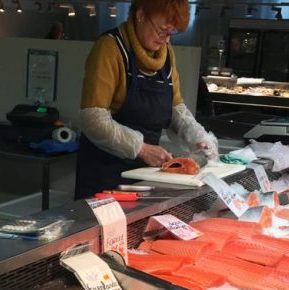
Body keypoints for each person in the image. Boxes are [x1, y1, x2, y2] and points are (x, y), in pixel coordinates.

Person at [74, 0, 216, 199]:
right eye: (162, 30)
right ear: (140, 15)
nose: (165, 40)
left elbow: (175, 107)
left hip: (146, 175)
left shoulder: (166, 55)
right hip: (104, 174)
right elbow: (93, 119)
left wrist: (198, 136)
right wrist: (140, 148)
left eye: (171, 33)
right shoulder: (110, 48)